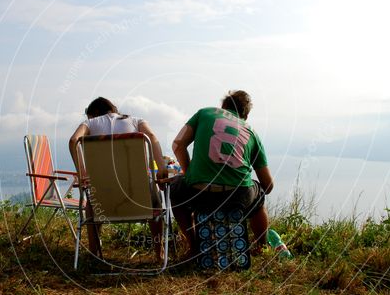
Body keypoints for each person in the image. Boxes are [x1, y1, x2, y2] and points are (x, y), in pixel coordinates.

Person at [170, 90, 274, 258]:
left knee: (175, 190)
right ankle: (262, 246)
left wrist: (190, 175)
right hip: (237, 197)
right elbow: (268, 185)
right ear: (244, 116)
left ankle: (194, 247)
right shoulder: (251, 131)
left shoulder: (205, 113)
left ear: (223, 107)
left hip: (198, 194)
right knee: (259, 193)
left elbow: (177, 145)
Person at [69, 97, 169, 260]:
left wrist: (82, 174)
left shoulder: (90, 124)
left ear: (93, 114)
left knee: (91, 205)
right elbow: (151, 135)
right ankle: (159, 253)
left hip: (105, 196)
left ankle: (94, 252)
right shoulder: (136, 121)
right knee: (155, 200)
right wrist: (161, 168)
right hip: (138, 195)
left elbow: (74, 140)